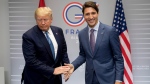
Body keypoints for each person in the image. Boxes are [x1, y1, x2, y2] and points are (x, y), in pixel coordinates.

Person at [65, 1, 124, 84]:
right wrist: (73, 65)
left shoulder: (110, 31)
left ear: (98, 13)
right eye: (87, 14)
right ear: (84, 16)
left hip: (108, 79)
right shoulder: (82, 34)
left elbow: (118, 58)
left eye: (93, 13)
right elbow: (83, 55)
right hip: (90, 79)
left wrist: (118, 80)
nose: (91, 17)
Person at [21, 7, 70, 84]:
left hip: (55, 79)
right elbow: (31, 60)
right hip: (36, 79)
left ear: (51, 19)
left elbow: (63, 50)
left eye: (45, 19)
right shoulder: (28, 36)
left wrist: (66, 66)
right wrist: (52, 71)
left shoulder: (58, 31)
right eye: (39, 20)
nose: (42, 23)